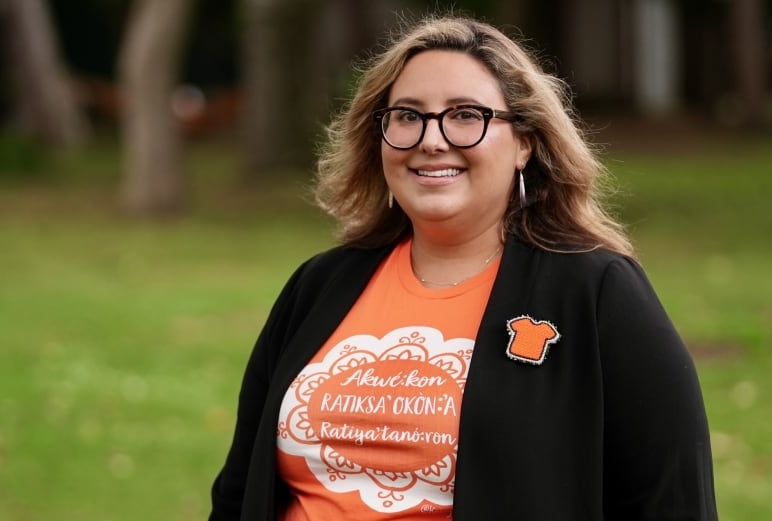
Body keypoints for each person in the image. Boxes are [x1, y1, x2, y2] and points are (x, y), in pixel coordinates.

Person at [208, 14, 718, 521]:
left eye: (466, 115)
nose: (432, 140)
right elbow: (238, 493)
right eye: (407, 116)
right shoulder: (318, 287)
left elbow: (672, 501)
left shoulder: (597, 292)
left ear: (525, 143)